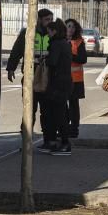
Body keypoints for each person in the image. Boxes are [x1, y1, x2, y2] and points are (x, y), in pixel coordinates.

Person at [7, 9, 54, 128]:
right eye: (47, 19)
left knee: (47, 110)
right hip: (30, 77)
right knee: (29, 109)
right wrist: (11, 68)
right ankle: (26, 136)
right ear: (39, 20)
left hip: (47, 77)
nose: (50, 22)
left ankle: (47, 138)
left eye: (51, 19)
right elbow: (16, 51)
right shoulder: (28, 33)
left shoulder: (53, 34)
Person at [37, 19, 73, 156]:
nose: (48, 35)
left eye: (49, 32)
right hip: (64, 83)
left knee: (59, 115)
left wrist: (44, 59)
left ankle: (65, 144)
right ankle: (58, 142)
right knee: (59, 113)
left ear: (54, 31)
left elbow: (53, 62)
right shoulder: (64, 43)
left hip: (58, 84)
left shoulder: (57, 44)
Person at [65, 19, 88, 138]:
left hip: (76, 79)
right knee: (62, 105)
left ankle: (74, 128)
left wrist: (70, 55)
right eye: (68, 26)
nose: (71, 29)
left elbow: (83, 59)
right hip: (62, 79)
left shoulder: (79, 42)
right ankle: (63, 127)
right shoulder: (60, 41)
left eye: (73, 27)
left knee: (74, 104)